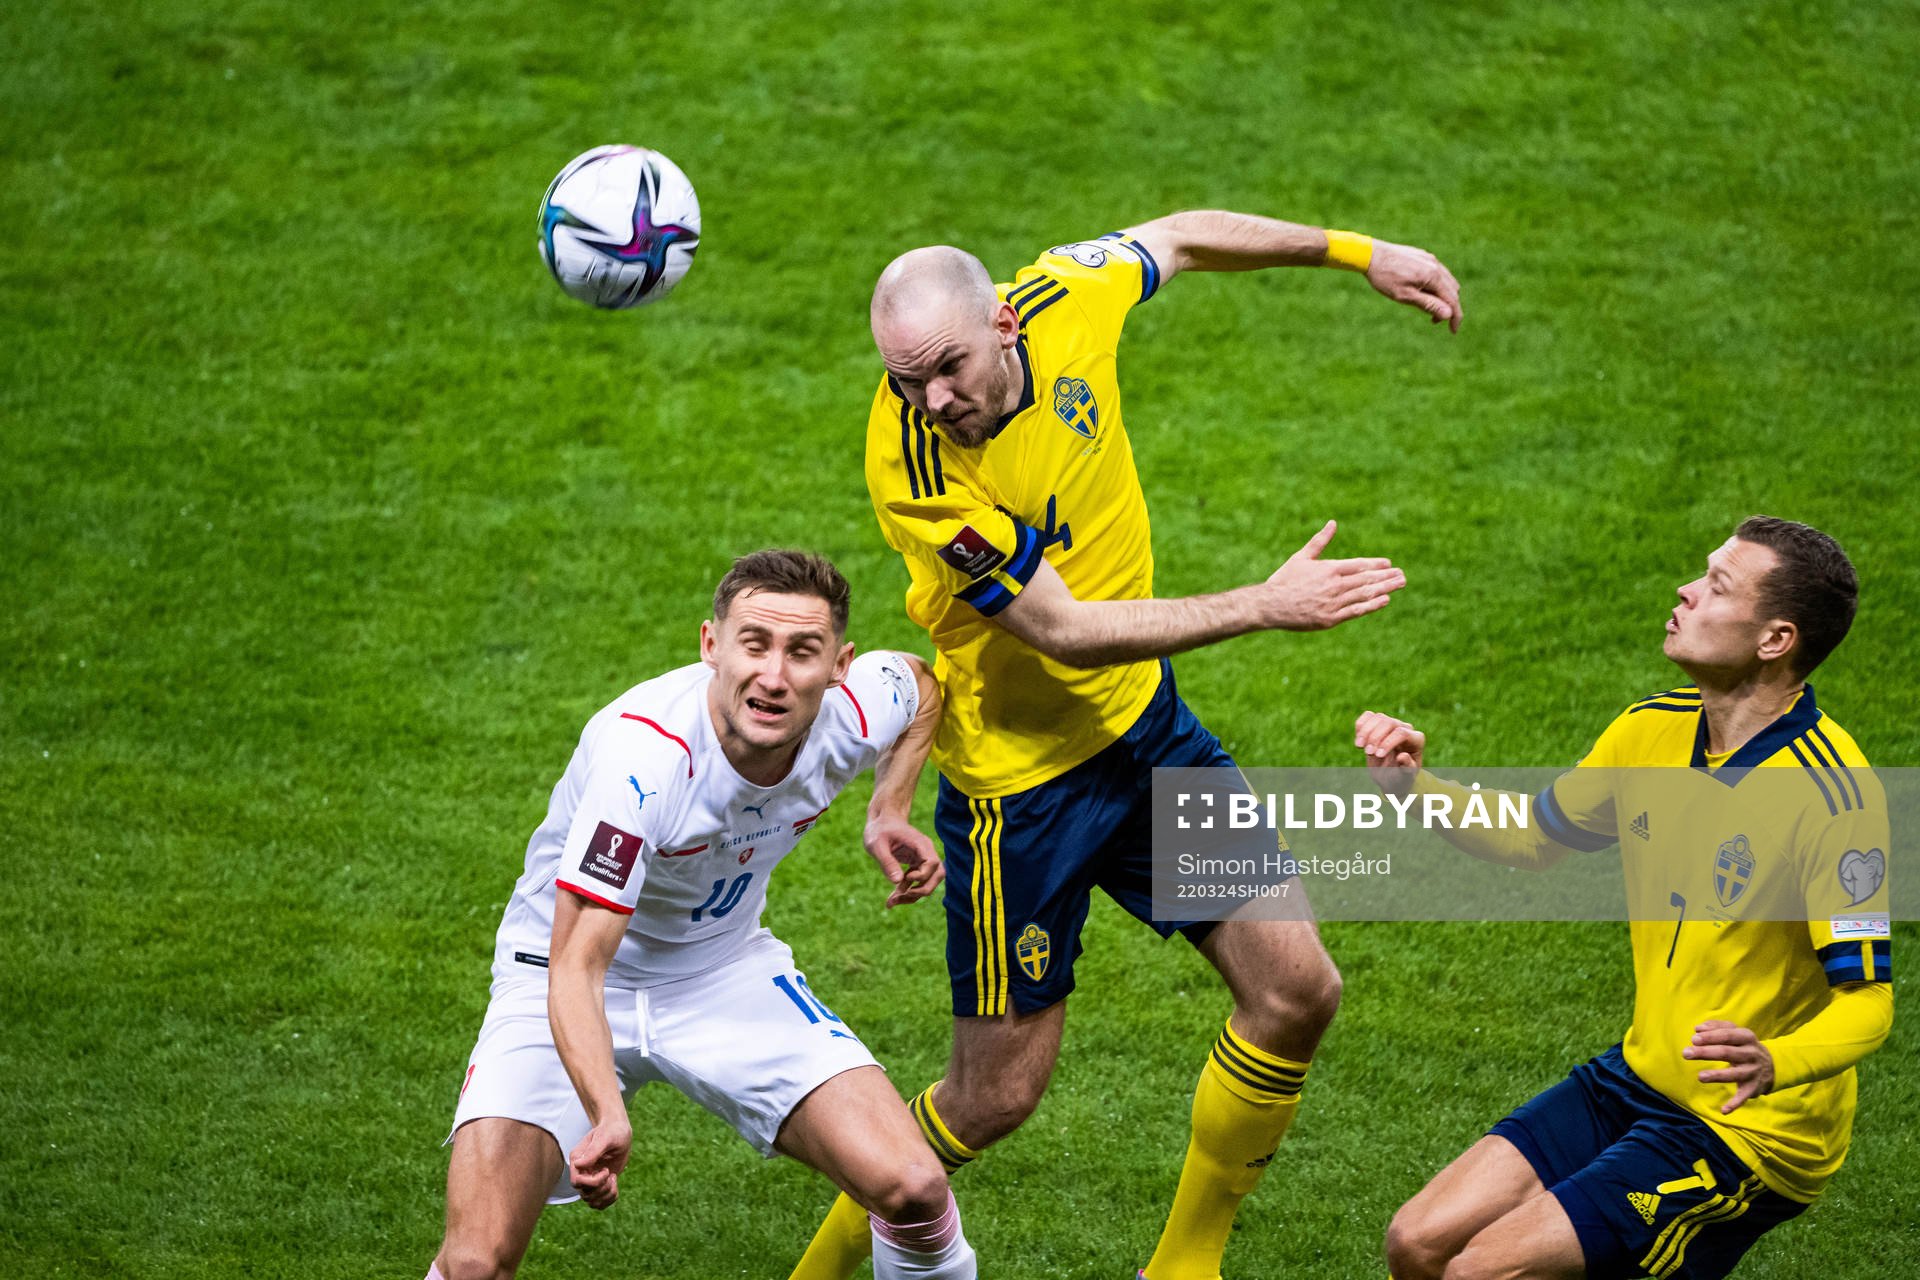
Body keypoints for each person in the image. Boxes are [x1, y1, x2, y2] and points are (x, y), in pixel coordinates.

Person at [793, 212, 1461, 1280]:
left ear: (1005, 324)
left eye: (949, 368)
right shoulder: (916, 471)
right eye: (905, 379)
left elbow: (1185, 236)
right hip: (1024, 790)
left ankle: (1182, 1266)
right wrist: (1265, 602)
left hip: (1148, 738)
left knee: (1297, 990)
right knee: (993, 1096)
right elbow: (1062, 630)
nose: (933, 400)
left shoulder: (1070, 294)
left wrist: (1358, 252)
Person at [1355, 516, 1892, 1280]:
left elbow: (1869, 1002)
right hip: (1639, 1075)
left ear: (1776, 640)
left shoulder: (1833, 799)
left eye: (1716, 586)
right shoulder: (1652, 730)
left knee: (1484, 1271)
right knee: (1419, 1242)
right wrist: (1417, 790)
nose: (1685, 590)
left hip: (1746, 1130)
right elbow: (1535, 835)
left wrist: (1774, 1061)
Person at [428, 549, 977, 1280]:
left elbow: (918, 683)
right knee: (474, 1261)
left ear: (840, 665)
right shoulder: (644, 759)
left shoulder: (853, 715)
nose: (774, 676)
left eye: (802, 652)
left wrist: (889, 808)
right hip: (561, 976)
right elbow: (576, 963)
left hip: (721, 971)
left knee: (914, 1188)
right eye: (754, 644)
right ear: (710, 645)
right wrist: (606, 1111)